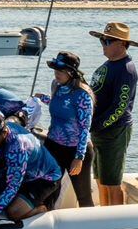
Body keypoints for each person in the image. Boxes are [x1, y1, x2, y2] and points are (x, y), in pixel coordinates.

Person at [0, 114, 62, 222]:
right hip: (26, 172)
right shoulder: (7, 127)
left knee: (13, 212)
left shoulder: (17, 149)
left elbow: (13, 186)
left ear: (4, 133)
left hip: (46, 179)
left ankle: (42, 208)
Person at [88, 21, 138, 206]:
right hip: (98, 130)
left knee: (112, 182)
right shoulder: (107, 65)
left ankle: (115, 217)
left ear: (121, 44)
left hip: (114, 131)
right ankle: (103, 214)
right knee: (100, 179)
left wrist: (97, 125)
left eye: (107, 41)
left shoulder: (126, 69)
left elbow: (120, 107)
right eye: (102, 40)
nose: (103, 45)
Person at [36, 51, 95, 208]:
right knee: (48, 191)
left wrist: (79, 157)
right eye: (55, 70)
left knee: (83, 196)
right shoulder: (56, 85)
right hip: (53, 146)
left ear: (71, 72)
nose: (57, 74)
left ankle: (90, 226)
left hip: (75, 150)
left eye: (61, 71)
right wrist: (43, 99)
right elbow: (61, 105)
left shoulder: (82, 94)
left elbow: (85, 128)